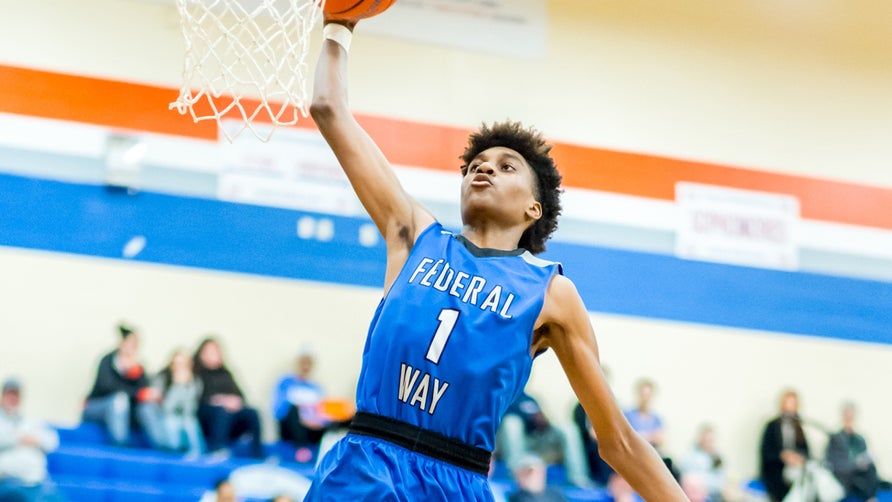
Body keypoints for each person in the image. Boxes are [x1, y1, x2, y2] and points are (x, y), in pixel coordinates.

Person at [302, 16, 686, 501]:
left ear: (534, 208)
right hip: (363, 468)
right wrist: (339, 26)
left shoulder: (551, 293)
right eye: (476, 164)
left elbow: (619, 442)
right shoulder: (415, 235)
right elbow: (327, 108)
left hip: (455, 482)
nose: (484, 167)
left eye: (507, 166)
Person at [81, 323, 166, 449]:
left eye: (136, 344)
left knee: (147, 407)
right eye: (130, 343)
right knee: (119, 399)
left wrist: (136, 376)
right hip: (99, 407)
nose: (133, 347)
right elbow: (106, 387)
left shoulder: (138, 366)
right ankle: (120, 445)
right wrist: (130, 383)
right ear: (122, 343)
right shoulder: (107, 360)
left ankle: (163, 445)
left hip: (126, 412)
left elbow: (143, 392)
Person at [497, 390, 591, 488]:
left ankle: (578, 478)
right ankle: (516, 475)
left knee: (568, 428)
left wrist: (544, 421)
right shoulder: (501, 396)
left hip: (538, 439)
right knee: (512, 423)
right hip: (513, 442)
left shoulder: (531, 399)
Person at [193, 337, 264, 459]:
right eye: (209, 352)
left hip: (230, 417)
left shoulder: (225, 374)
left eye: (216, 351)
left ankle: (257, 454)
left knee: (253, 413)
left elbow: (240, 396)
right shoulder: (196, 373)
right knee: (221, 411)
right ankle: (218, 449)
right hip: (207, 416)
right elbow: (197, 398)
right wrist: (220, 400)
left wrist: (235, 401)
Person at [0, 378, 64, 502]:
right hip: (8, 481)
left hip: (36, 482)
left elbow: (52, 440)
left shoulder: (29, 421)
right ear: (3, 395)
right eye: (10, 394)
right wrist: (19, 439)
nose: (13, 398)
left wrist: (34, 439)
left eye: (16, 395)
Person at [759, 389, 810, 502]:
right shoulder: (772, 426)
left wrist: (798, 458)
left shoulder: (798, 428)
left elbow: (806, 451)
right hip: (777, 472)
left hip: (797, 471)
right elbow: (766, 452)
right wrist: (783, 456)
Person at [153, 349, 204, 458]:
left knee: (189, 422)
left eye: (184, 364)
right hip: (164, 418)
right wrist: (178, 385)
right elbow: (167, 409)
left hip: (186, 419)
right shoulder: (161, 379)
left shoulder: (196, 382)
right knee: (172, 421)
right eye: (177, 364)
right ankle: (173, 452)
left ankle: (196, 455)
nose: (180, 368)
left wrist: (187, 386)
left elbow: (190, 410)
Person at [824, 402, 879, 502]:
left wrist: (864, 462)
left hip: (860, 477)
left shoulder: (860, 439)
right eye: (847, 415)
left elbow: (865, 458)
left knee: (871, 468)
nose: (849, 418)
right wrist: (856, 464)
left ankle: (871, 498)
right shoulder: (835, 438)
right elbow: (834, 465)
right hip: (844, 478)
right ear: (843, 416)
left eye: (851, 415)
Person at [679, 424, 726, 502]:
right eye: (706, 439)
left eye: (711, 440)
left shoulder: (718, 457)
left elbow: (721, 481)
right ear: (701, 439)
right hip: (694, 496)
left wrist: (703, 481)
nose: (709, 442)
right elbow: (688, 479)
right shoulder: (690, 456)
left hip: (714, 495)